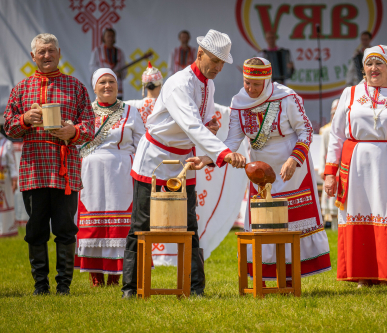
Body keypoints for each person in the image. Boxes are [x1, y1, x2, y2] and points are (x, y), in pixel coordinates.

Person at [121, 29, 246, 299]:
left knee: (189, 226)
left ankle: (195, 288)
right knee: (141, 225)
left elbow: (198, 124)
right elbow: (190, 125)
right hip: (154, 158)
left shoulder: (207, 83)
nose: (218, 67)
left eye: (222, 63)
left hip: (182, 160)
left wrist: (210, 127)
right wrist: (223, 153)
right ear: (200, 54)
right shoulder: (180, 83)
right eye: (215, 61)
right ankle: (130, 288)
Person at [203, 57, 332, 283]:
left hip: (292, 166)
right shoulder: (238, 101)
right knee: (263, 221)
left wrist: (294, 159)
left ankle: (291, 278)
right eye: (247, 82)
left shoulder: (287, 97)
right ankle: (262, 275)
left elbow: (306, 131)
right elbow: (233, 140)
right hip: (260, 171)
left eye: (256, 84)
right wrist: (209, 159)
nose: (250, 88)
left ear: (267, 80)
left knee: (290, 222)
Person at [324, 45, 387, 287]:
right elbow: (336, 135)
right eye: (369, 64)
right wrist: (330, 173)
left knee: (385, 214)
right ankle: (361, 275)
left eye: (379, 63)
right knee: (357, 214)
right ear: (363, 68)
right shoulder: (350, 93)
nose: (373, 68)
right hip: (355, 162)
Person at [4, 33, 95, 295]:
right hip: (34, 169)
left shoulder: (75, 87)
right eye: (41, 52)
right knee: (36, 229)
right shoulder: (21, 89)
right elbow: (9, 127)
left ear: (59, 53)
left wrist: (73, 132)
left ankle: (64, 286)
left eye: (51, 50)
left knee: (66, 229)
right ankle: (40, 286)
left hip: (65, 170)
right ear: (33, 56)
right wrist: (24, 119)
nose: (46, 55)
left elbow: (90, 126)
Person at [75, 68, 145, 287]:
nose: (107, 86)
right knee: (93, 223)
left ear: (117, 85)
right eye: (102, 82)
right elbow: (76, 141)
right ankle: (95, 276)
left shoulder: (131, 112)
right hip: (91, 173)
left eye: (111, 82)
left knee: (120, 224)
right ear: (94, 87)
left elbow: (142, 143)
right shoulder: (84, 111)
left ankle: (116, 276)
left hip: (121, 172)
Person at [318, 99, 339, 229]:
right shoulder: (326, 131)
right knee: (331, 201)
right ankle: (333, 226)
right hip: (331, 168)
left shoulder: (346, 130)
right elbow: (322, 151)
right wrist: (322, 169)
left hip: (342, 169)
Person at [90, 28, 127, 99]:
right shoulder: (97, 51)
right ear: (103, 37)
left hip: (117, 88)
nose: (110, 38)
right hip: (102, 86)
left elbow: (124, 69)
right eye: (108, 36)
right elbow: (92, 66)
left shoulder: (119, 52)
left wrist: (120, 74)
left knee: (117, 108)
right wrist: (103, 73)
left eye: (112, 36)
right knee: (102, 108)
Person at [0, 117, 18, 238]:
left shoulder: (6, 143)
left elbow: (12, 163)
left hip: (4, 179)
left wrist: (14, 180)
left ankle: (6, 230)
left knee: (5, 203)